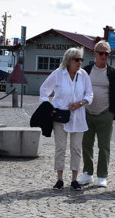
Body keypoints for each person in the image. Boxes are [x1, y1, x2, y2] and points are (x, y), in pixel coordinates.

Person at [39, 47, 93, 190]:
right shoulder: (58, 74)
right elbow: (44, 90)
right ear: (68, 60)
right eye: (77, 59)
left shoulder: (84, 75)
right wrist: (47, 107)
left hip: (78, 116)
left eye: (81, 59)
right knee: (60, 147)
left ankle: (74, 179)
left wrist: (80, 103)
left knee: (76, 148)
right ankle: (60, 179)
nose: (79, 62)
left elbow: (90, 94)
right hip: (60, 116)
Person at [79, 41, 115, 188]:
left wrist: (113, 112)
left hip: (105, 114)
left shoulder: (114, 73)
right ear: (95, 53)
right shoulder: (85, 71)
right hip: (87, 113)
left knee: (104, 146)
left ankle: (102, 176)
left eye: (107, 53)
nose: (104, 56)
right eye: (101, 53)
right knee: (86, 145)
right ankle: (87, 173)